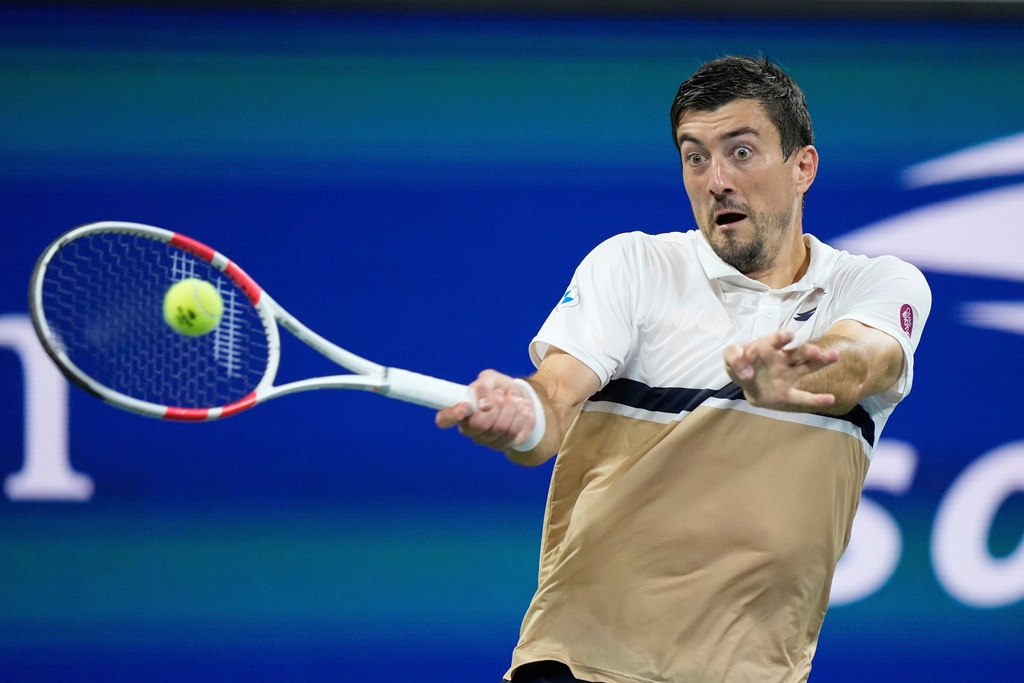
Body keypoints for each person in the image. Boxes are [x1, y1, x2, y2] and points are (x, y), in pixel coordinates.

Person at [436, 55, 931, 683]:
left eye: (741, 152)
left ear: (802, 167)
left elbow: (864, 362)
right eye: (695, 157)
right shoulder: (634, 267)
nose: (716, 179)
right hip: (583, 666)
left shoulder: (875, 284)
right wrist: (521, 414)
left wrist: (797, 378)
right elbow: (553, 400)